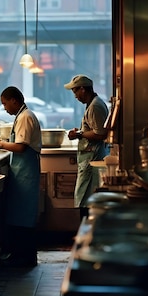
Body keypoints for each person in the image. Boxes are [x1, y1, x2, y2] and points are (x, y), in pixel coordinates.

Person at [0, 86, 42, 267]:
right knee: (20, 214)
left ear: (14, 101)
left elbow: (20, 147)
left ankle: (26, 258)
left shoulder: (25, 117)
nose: (4, 108)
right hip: (22, 171)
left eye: (5, 103)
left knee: (24, 215)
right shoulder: (22, 115)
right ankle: (20, 255)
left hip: (26, 172)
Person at [64, 74, 109, 218]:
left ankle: (86, 234)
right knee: (85, 199)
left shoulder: (95, 106)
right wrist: (81, 132)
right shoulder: (92, 104)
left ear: (83, 89)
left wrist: (79, 134)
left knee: (87, 202)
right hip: (88, 159)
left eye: (75, 91)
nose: (75, 96)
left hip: (93, 160)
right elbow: (92, 130)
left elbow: (100, 134)